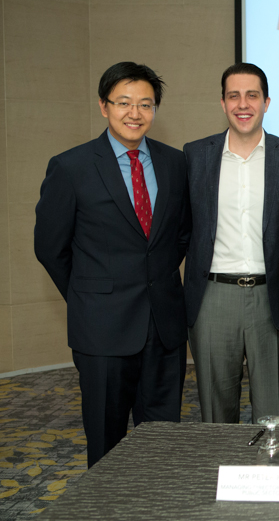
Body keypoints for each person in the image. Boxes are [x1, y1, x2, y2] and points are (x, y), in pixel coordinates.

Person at [34, 62, 190, 467]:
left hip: (164, 327)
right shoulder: (71, 167)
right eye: (124, 102)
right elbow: (51, 248)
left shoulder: (175, 163)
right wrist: (90, 295)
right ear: (104, 106)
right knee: (106, 443)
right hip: (102, 330)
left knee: (163, 441)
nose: (134, 113)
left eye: (145, 104)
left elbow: (181, 234)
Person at [183, 63, 279, 424]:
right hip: (212, 296)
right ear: (222, 103)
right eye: (233, 95)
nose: (243, 103)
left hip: (270, 298)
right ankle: (222, 474)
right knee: (215, 411)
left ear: (266, 102)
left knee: (271, 413)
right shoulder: (195, 155)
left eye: (252, 95)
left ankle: (268, 476)